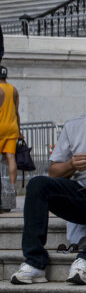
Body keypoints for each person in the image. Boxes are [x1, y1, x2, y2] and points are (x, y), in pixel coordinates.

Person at [10, 68, 86, 286]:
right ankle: (34, 262)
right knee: (38, 184)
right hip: (83, 195)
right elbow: (54, 172)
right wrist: (71, 165)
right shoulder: (74, 126)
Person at [0, 66, 21, 212]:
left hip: (0, 127)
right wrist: (19, 130)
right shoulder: (13, 89)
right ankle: (12, 187)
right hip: (12, 127)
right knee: (11, 157)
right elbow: (17, 112)